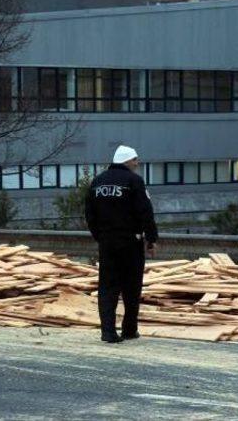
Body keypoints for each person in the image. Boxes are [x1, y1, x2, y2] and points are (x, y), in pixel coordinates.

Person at [85, 145, 158, 343]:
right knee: (131, 286)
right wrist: (151, 239)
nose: (137, 163)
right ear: (126, 161)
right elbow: (145, 211)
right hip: (131, 242)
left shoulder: (97, 182)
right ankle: (129, 329)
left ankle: (108, 331)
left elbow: (90, 214)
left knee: (107, 287)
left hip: (107, 242)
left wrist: (100, 237)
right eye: (135, 160)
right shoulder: (134, 181)